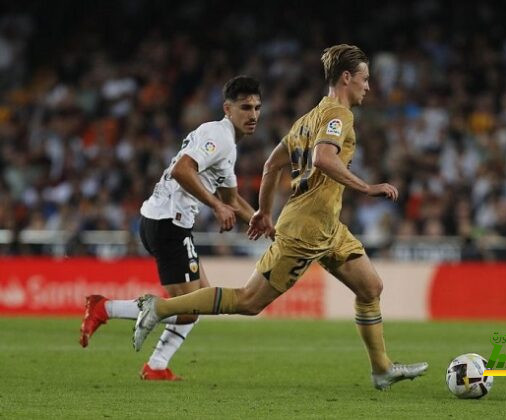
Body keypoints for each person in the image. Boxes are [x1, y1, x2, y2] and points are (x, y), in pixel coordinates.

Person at [132, 44, 428, 390]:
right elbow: (323, 159)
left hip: (328, 226)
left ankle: (381, 369)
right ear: (346, 78)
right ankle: (160, 308)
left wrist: (263, 212)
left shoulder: (309, 118)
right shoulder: (338, 116)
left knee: (370, 287)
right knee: (248, 301)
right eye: (365, 78)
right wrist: (367, 187)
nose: (368, 86)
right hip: (307, 228)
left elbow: (272, 164)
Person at [79, 76, 268, 380]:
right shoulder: (217, 135)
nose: (254, 115)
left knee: (202, 300)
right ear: (228, 109)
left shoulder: (227, 144)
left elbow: (231, 199)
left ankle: (156, 366)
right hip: (169, 223)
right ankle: (105, 308)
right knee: (189, 307)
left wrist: (265, 223)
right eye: (246, 107)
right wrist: (217, 207)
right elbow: (182, 170)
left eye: (258, 108)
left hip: (164, 221)